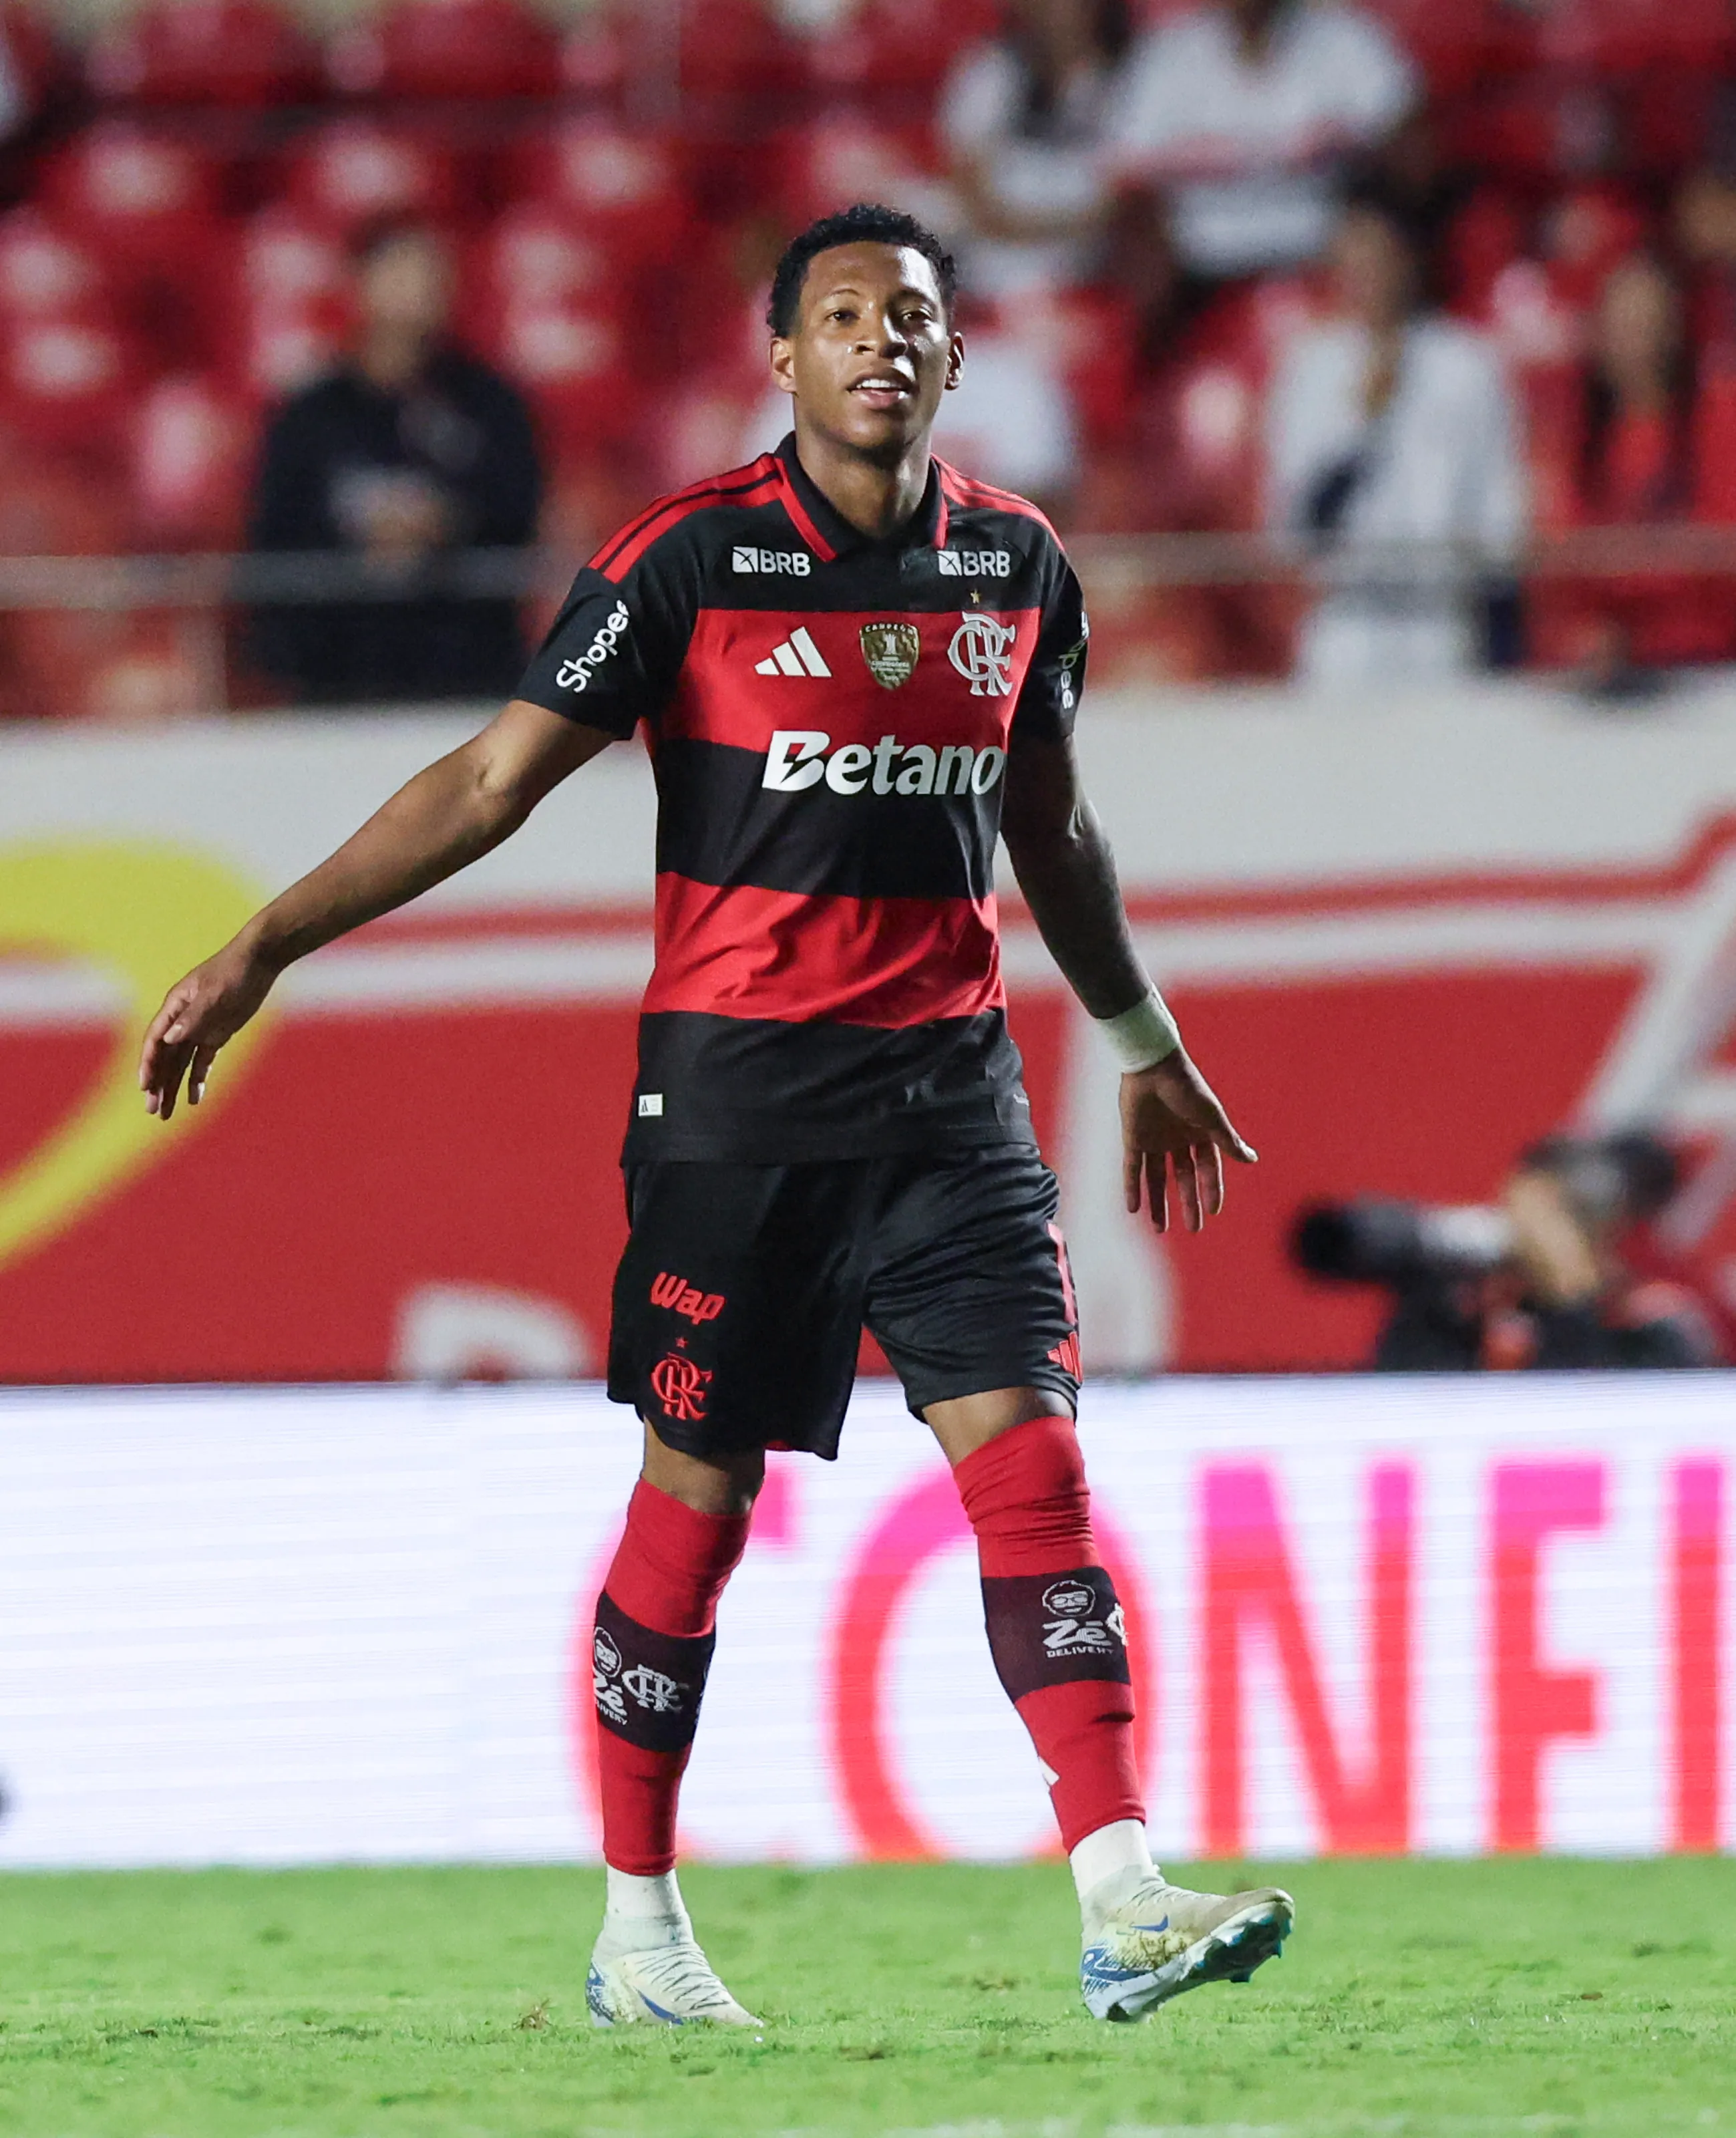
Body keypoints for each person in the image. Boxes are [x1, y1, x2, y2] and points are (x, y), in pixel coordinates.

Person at [138, 202, 1293, 2027]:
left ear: (954, 354)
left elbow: (1049, 824)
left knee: (1033, 1469)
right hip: (736, 1112)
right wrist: (266, 940)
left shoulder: (1016, 567)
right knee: (697, 1498)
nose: (878, 340)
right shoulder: (683, 561)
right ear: (781, 357)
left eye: (908, 315)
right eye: (840, 315)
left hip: (952, 1108)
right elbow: (490, 781)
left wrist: (1140, 1037)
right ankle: (639, 1929)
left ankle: (1120, 1890)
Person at [245, 219, 542, 707]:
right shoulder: (309, 418)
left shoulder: (491, 407)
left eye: (432, 273)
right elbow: (275, 536)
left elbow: (518, 514)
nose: (420, 288)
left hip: (465, 673)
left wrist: (446, 523)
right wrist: (356, 534)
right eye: (401, 270)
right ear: (358, 283)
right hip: (337, 682)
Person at [1266, 192, 1524, 684]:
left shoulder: (1466, 363)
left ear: (1407, 261)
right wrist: (1361, 424)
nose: (1366, 277)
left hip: (1441, 619)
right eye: (1351, 262)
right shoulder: (1311, 369)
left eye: (1378, 258)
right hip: (1346, 619)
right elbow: (1295, 523)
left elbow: (1499, 515)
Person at [1530, 250, 1736, 684]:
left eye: (1648, 321)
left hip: (1706, 664)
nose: (1636, 338)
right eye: (1623, 322)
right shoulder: (1572, 436)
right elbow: (1561, 554)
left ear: (1674, 329)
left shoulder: (1719, 418)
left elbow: (1720, 538)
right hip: (1600, 667)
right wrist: (1592, 631)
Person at [1105, 0, 1416, 285]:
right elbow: (1124, 168)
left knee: (1375, 240)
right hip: (1194, 260)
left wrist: (1348, 146)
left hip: (1323, 248)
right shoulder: (1167, 53)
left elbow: (1406, 141)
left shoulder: (1344, 36)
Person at [940, 0, 1136, 301]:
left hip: (1094, 274)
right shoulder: (991, 72)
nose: (1061, 11)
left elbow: (1124, 202)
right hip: (992, 274)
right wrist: (1065, 227)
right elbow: (975, 202)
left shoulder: (1129, 75)